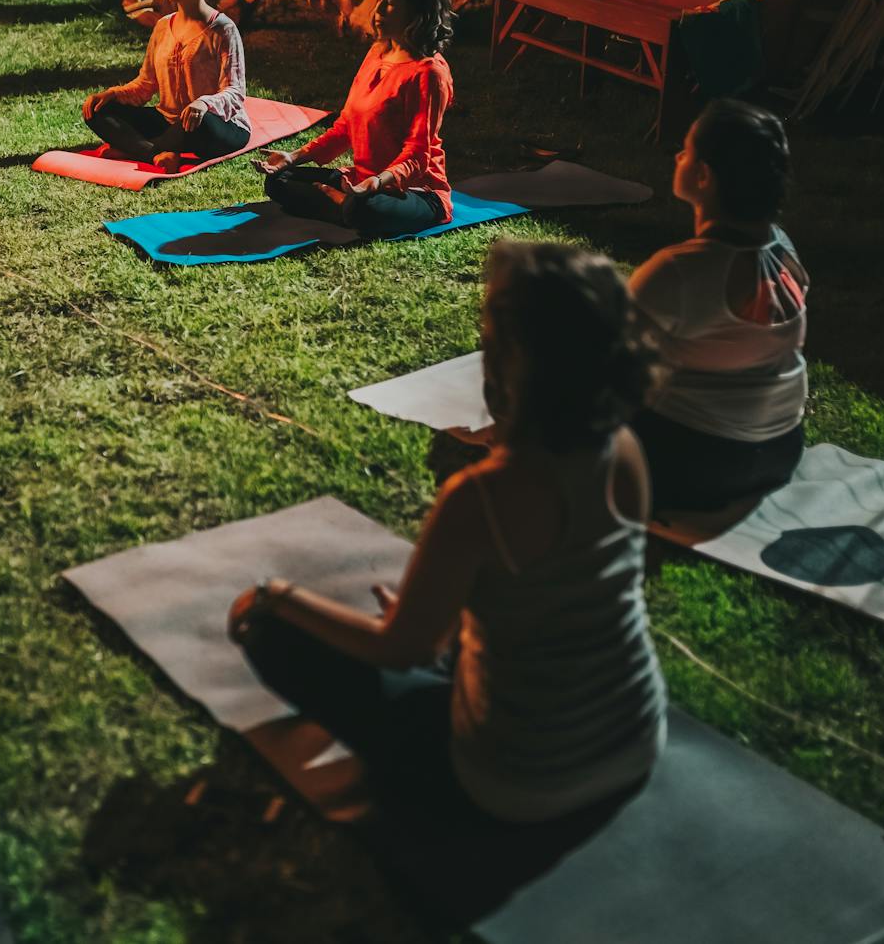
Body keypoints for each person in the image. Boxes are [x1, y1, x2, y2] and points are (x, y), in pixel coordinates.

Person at [228, 241, 666, 824]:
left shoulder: (482, 497)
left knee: (264, 628)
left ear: (514, 356)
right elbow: (565, 588)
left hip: (516, 779)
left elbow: (403, 649)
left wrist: (274, 595)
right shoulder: (626, 450)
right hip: (635, 739)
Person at [629, 99, 808, 512]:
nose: (677, 157)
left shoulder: (681, 271)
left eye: (686, 150)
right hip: (781, 450)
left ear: (704, 175)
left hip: (694, 463)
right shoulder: (784, 250)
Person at [257, 0, 454, 239]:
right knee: (278, 181)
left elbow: (417, 155)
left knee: (363, 208)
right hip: (361, 180)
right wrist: (293, 157)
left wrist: (376, 182)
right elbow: (346, 126)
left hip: (414, 190)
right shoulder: (377, 53)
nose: (378, 11)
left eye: (390, 3)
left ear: (415, 11)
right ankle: (344, 202)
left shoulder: (428, 73)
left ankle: (341, 203)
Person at [81, 0, 250, 173]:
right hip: (168, 120)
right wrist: (112, 94)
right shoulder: (163, 26)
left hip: (215, 124)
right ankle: (157, 152)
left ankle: (138, 147)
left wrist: (203, 103)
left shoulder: (223, 29)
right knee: (99, 111)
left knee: (201, 123)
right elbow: (145, 84)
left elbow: (235, 92)